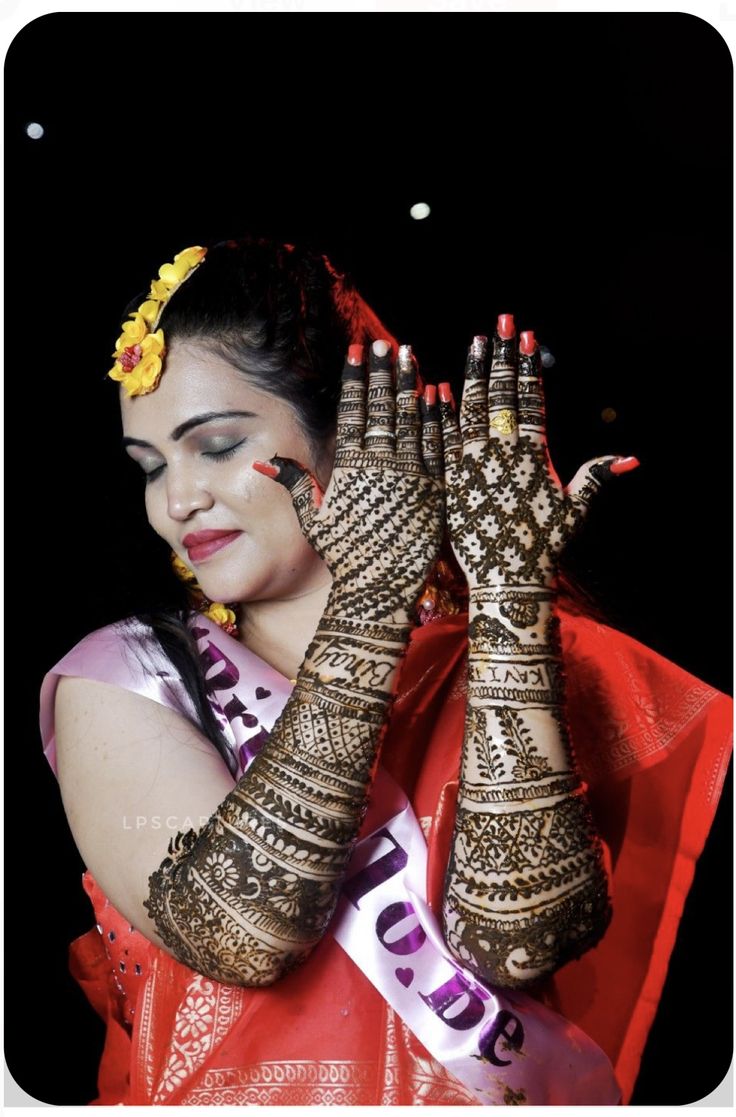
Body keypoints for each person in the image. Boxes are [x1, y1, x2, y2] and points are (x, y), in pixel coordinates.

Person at [39, 234, 731, 1106]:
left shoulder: (503, 654)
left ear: (361, 430)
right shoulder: (129, 677)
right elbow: (242, 931)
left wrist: (509, 592)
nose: (176, 501)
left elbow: (517, 939)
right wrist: (368, 606)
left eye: (214, 445)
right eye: (150, 467)